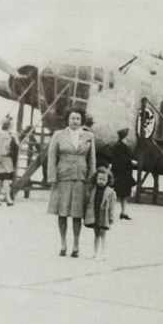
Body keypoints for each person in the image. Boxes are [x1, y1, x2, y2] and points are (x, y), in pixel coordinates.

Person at [47, 108, 96, 257]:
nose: (75, 121)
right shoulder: (59, 135)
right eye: (72, 118)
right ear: (67, 120)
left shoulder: (89, 136)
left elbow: (92, 159)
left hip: (80, 178)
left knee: (77, 213)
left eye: (78, 119)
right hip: (63, 178)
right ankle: (63, 243)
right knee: (62, 212)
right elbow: (52, 157)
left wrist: (92, 179)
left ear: (82, 121)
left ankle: (76, 244)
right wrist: (52, 178)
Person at [84, 166, 117, 260]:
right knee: (96, 234)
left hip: (104, 216)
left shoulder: (111, 192)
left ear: (108, 180)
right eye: (99, 179)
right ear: (96, 179)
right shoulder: (93, 190)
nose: (101, 181)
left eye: (104, 179)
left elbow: (112, 207)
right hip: (95, 215)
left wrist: (111, 218)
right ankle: (94, 252)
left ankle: (103, 253)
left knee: (103, 234)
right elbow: (89, 203)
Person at [111, 128, 136, 220]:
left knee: (123, 194)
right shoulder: (120, 146)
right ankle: (115, 213)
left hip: (123, 174)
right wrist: (131, 162)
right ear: (125, 137)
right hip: (122, 174)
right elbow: (122, 160)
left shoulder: (120, 145)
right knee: (119, 194)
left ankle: (123, 212)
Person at [0, 117, 16, 206]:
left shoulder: (8, 134)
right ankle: (8, 198)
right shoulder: (2, 134)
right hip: (3, 158)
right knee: (6, 178)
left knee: (3, 180)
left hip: (6, 158)